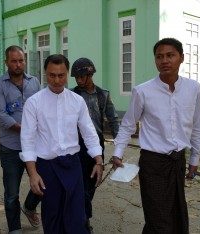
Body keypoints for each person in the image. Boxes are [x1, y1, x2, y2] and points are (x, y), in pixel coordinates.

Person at [111, 38, 200, 234]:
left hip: (178, 161)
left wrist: (194, 160)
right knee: (158, 219)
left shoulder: (193, 89)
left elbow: (197, 126)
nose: (165, 60)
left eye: (170, 55)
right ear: (155, 61)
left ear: (181, 58)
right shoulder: (143, 91)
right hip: (153, 164)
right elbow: (128, 125)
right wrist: (117, 153)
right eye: (159, 56)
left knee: (176, 216)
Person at [19, 54, 103, 234]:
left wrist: (98, 160)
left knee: (77, 216)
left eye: (61, 75)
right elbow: (27, 140)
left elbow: (89, 132)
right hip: (47, 167)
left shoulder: (77, 101)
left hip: (73, 165)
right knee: (53, 215)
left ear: (67, 75)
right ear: (45, 74)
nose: (57, 80)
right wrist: (33, 174)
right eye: (52, 75)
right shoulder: (34, 103)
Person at [0, 45, 41, 234]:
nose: (18, 64)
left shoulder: (34, 82)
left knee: (44, 183)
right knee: (11, 194)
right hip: (10, 148)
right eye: (14, 61)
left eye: (21, 60)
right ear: (6, 62)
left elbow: (41, 108)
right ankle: (15, 229)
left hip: (35, 147)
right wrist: (25, 128)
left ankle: (29, 206)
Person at [71, 57, 119, 232]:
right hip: (77, 144)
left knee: (92, 184)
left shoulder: (103, 95)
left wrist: (119, 148)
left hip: (97, 145)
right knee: (81, 185)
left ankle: (82, 213)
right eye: (76, 77)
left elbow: (113, 121)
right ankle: (84, 221)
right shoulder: (72, 94)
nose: (78, 80)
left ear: (90, 74)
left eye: (81, 76)